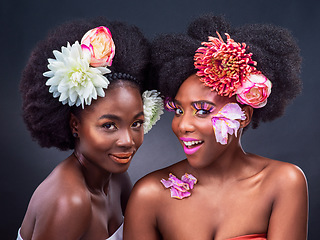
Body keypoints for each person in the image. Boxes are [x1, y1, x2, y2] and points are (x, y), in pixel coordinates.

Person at [124, 15, 308, 240]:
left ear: (243, 116)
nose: (183, 125)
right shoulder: (150, 194)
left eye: (203, 110)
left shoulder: (283, 183)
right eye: (179, 110)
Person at [18, 17, 163, 240]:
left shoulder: (116, 180)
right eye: (109, 125)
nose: (127, 140)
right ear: (74, 124)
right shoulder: (68, 201)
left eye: (136, 123)